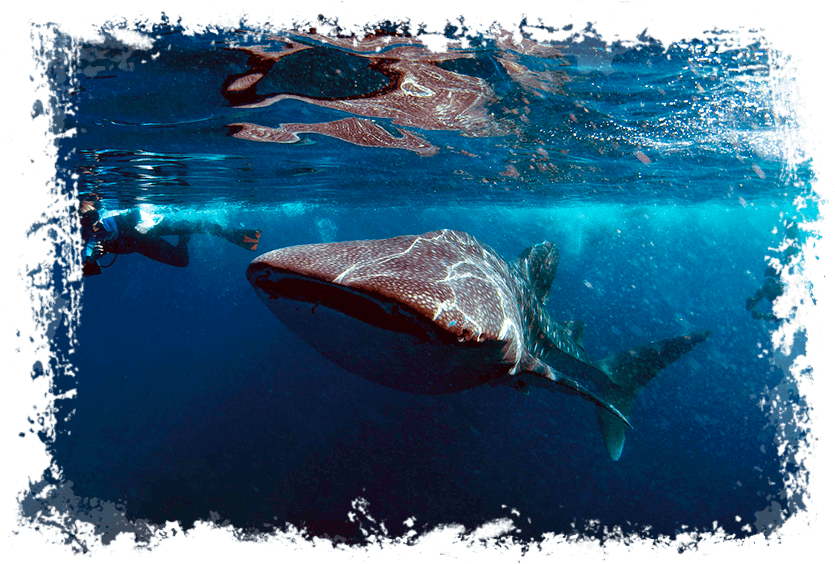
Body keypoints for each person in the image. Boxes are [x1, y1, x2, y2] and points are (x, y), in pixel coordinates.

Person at [77, 193, 262, 277]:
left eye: (93, 217)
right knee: (182, 261)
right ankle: (184, 238)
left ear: (97, 211)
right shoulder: (91, 240)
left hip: (147, 228)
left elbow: (141, 208)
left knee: (197, 225)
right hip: (142, 244)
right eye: (85, 222)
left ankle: (234, 235)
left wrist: (146, 222)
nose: (93, 224)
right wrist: (93, 260)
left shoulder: (109, 213)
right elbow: (87, 267)